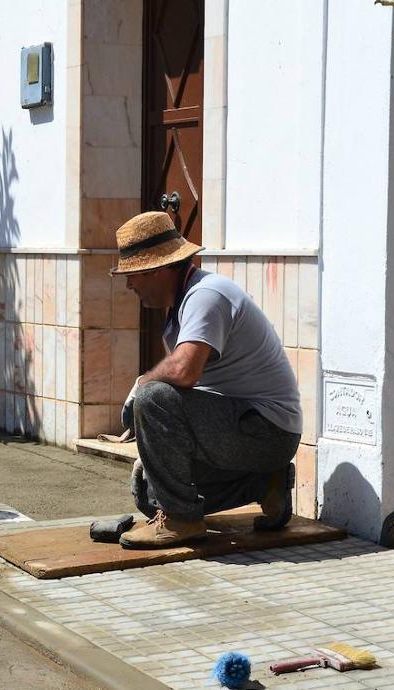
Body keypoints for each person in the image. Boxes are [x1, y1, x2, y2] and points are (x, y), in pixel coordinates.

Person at [111, 211, 302, 549]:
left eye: (133, 275)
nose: (129, 285)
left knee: (153, 397)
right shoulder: (182, 304)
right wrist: (157, 455)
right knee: (149, 493)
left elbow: (184, 372)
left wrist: (142, 385)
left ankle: (182, 521)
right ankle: (267, 483)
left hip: (266, 431)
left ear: (158, 270)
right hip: (243, 429)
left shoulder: (206, 295)